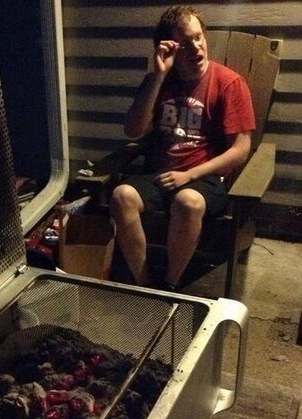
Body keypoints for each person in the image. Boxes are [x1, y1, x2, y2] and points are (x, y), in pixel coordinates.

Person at [109, 5, 256, 291]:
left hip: (204, 178)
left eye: (198, 37)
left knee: (187, 202)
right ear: (169, 49)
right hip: (159, 175)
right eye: (185, 43)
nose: (197, 48)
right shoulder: (158, 81)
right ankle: (144, 284)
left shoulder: (229, 83)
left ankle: (170, 284)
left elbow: (241, 149)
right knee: (120, 196)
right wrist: (158, 76)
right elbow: (133, 130)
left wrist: (189, 175)